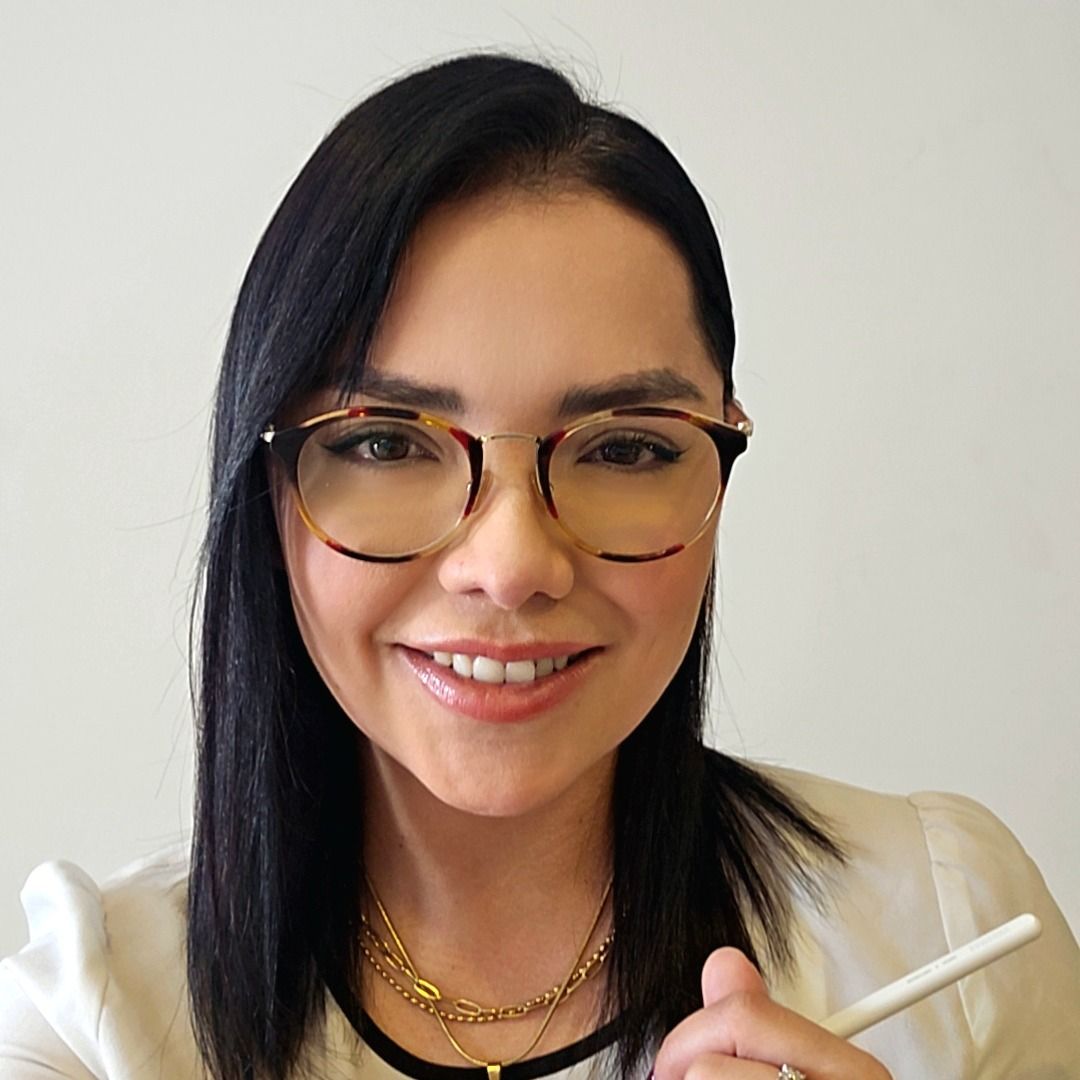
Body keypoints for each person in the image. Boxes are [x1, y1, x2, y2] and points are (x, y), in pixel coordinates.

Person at [1, 52, 1077, 1080]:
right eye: (385, 443)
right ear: (267, 483)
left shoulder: (945, 928)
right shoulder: (98, 1017)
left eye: (626, 448)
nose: (512, 565)